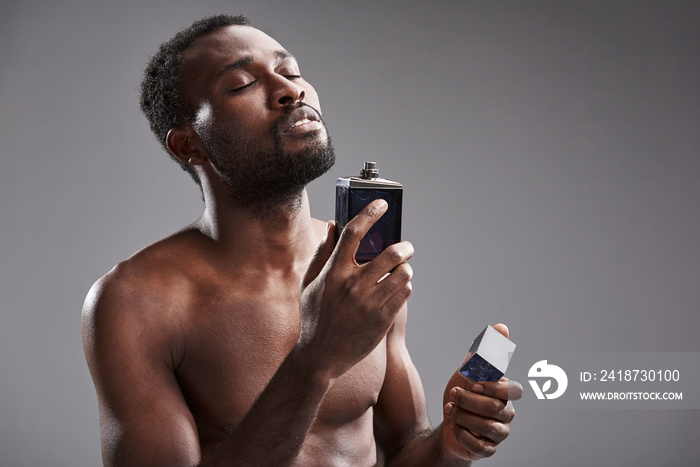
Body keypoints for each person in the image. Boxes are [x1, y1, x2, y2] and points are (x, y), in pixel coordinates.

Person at [82, 14, 523, 467]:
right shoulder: (135, 301)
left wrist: (453, 443)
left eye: (291, 72)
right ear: (188, 145)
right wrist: (316, 357)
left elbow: (407, 450)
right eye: (240, 85)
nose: (290, 90)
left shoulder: (359, 266)